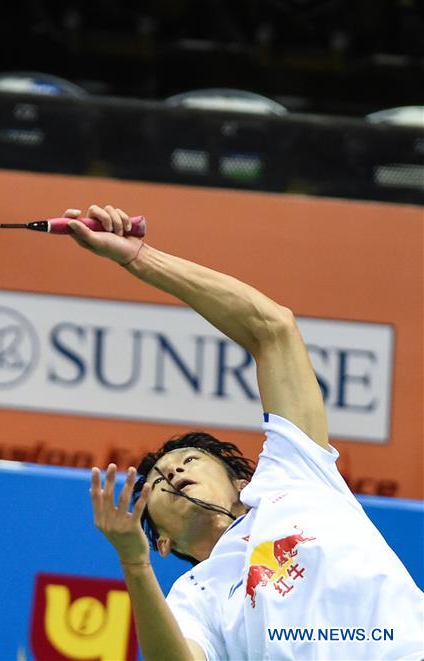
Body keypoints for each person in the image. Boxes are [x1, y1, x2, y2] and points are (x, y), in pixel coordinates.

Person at [69, 205, 424, 660]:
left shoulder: (295, 473)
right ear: (162, 541)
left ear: (242, 481)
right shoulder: (196, 597)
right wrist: (134, 563)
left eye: (190, 460)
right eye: (158, 480)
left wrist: (138, 258)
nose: (174, 470)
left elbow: (272, 329)